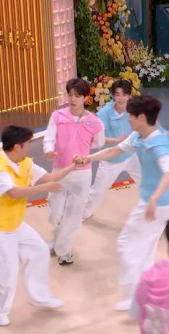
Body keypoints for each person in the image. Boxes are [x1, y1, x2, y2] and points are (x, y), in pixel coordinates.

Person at [80, 95, 169, 311]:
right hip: (156, 203)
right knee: (145, 250)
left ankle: (134, 296)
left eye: (131, 116)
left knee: (127, 243)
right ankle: (146, 294)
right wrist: (88, 158)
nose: (127, 119)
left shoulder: (157, 144)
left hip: (156, 205)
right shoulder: (139, 135)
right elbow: (113, 151)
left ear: (142, 117)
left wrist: (153, 199)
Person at [0, 125, 84, 327]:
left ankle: (40, 296)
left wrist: (72, 166)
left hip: (15, 223)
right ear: (17, 146)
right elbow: (14, 193)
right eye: (27, 144)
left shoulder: (24, 162)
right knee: (7, 272)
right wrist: (44, 188)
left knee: (39, 251)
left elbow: (49, 178)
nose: (29, 147)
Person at [43, 78, 105, 265]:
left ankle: (63, 250)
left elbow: (99, 142)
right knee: (55, 213)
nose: (72, 99)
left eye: (77, 96)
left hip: (82, 174)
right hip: (59, 171)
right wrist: (49, 150)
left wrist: (83, 149)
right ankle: (57, 240)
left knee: (74, 215)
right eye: (70, 95)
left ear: (85, 97)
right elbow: (49, 138)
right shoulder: (57, 116)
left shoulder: (95, 122)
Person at [82, 79, 142, 221]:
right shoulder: (104, 113)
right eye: (118, 95)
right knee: (97, 191)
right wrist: (114, 140)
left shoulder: (134, 109)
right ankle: (83, 214)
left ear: (129, 96)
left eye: (124, 95)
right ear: (113, 96)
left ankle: (157, 211)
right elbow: (96, 138)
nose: (121, 98)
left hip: (131, 156)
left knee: (148, 183)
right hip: (111, 160)